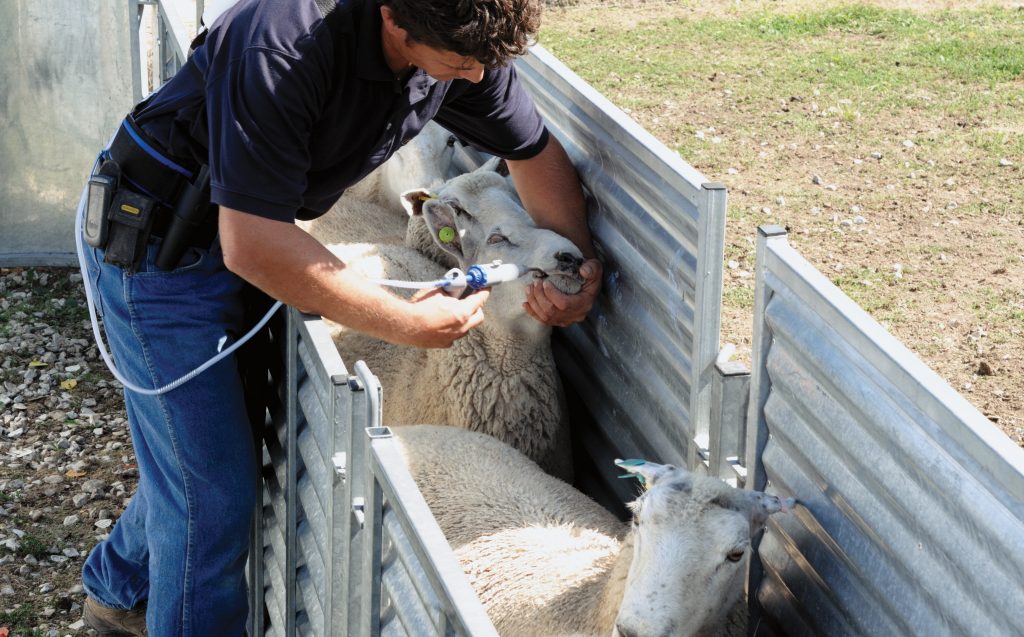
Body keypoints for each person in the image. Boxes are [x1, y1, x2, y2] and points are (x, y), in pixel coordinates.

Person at [78, 0, 602, 634]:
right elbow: (252, 243)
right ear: (392, 18)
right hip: (165, 256)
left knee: (205, 451)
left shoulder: (464, 42)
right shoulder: (280, 48)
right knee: (211, 495)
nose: (472, 78)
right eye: (459, 65)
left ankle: (115, 586)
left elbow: (534, 152)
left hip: (252, 232)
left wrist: (579, 268)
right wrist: (403, 321)